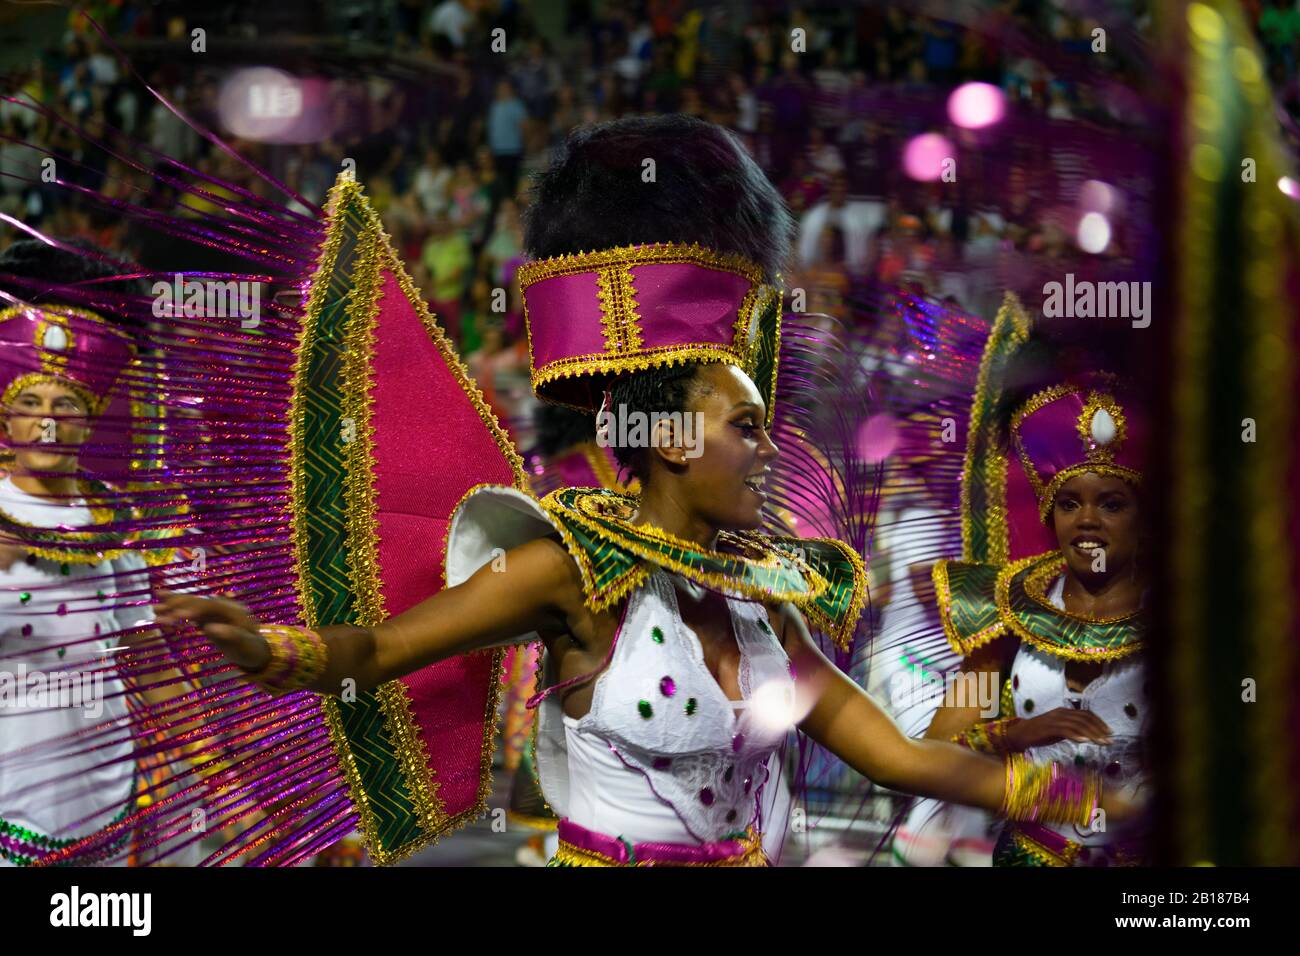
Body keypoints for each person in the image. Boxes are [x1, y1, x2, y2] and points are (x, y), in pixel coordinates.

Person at [156, 116, 1133, 867]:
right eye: (743, 426)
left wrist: (1063, 799)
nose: (767, 449)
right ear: (666, 440)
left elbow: (902, 758)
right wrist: (277, 649)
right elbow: (380, 647)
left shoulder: (765, 604)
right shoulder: (568, 572)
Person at [922, 308, 1148, 866]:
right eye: (1070, 504)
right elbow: (934, 753)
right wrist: (1017, 733)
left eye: (1112, 504)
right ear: (1050, 513)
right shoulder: (1005, 618)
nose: (1087, 521)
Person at [0, 241, 194, 866]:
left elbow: (147, 662)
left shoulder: (115, 521)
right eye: (31, 405)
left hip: (108, 808)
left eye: (66, 406)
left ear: (89, 421)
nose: (48, 423)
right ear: (8, 416)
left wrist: (221, 771)